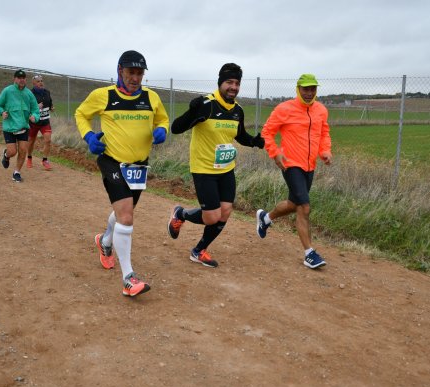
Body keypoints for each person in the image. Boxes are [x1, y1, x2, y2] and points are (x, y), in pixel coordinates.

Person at [75, 50, 169, 298]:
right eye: (131, 72)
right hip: (112, 161)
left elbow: (163, 119)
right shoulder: (103, 96)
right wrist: (88, 137)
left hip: (139, 166)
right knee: (126, 215)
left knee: (124, 213)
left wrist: (162, 130)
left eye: (139, 73)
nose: (135, 78)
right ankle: (128, 278)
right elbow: (81, 114)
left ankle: (105, 241)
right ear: (120, 71)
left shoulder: (151, 97)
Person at [166, 63, 264, 268]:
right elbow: (176, 128)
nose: (233, 87)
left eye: (237, 83)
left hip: (226, 168)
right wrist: (191, 112)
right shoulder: (206, 104)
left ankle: (199, 250)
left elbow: (239, 136)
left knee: (225, 211)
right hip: (203, 169)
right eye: (229, 82)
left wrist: (255, 141)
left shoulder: (237, 110)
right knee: (212, 217)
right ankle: (180, 214)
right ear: (220, 83)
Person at [255, 74, 332, 269]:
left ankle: (266, 218)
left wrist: (325, 151)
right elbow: (267, 133)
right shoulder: (284, 109)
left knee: (293, 204)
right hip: (290, 164)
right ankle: (309, 253)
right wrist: (275, 153)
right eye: (305, 89)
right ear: (298, 89)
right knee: (304, 207)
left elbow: (324, 133)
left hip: (309, 165)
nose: (309, 93)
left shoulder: (321, 110)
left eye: (313, 89)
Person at [0, 69, 40, 182]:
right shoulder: (7, 91)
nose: (21, 80)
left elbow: (35, 109)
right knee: (12, 152)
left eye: (23, 78)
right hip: (9, 127)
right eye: (19, 78)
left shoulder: (29, 93)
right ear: (14, 79)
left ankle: (16, 172)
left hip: (24, 126)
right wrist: (1, 112)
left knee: (23, 150)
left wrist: (35, 116)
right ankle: (6, 155)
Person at [27, 75, 54, 170]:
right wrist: (36, 107)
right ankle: (29, 158)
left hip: (45, 122)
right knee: (31, 141)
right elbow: (26, 108)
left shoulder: (47, 92)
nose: (41, 82)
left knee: (48, 140)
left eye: (42, 81)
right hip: (34, 122)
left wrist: (51, 108)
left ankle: (45, 160)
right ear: (34, 83)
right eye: (38, 81)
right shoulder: (30, 93)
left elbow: (50, 104)